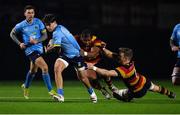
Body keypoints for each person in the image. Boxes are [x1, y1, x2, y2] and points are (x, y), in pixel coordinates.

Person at [43, 14, 97, 103]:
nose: (48, 27)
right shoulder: (60, 27)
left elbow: (57, 49)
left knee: (83, 78)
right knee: (57, 68)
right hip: (66, 55)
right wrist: (52, 42)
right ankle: (60, 95)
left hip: (76, 55)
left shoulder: (57, 32)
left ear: (54, 22)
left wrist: (48, 49)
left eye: (49, 24)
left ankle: (92, 93)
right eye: (46, 25)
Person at [88, 47, 176, 102]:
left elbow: (107, 73)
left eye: (120, 56)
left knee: (116, 94)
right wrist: (102, 48)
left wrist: (93, 67)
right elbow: (110, 54)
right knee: (156, 88)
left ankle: (126, 97)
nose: (118, 56)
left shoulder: (125, 70)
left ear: (126, 58)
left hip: (137, 91)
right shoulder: (128, 61)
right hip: (144, 81)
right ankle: (170, 94)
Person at [10, 5, 59, 100]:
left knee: (33, 71)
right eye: (28, 13)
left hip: (39, 49)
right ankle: (51, 91)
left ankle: (26, 87)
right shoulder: (21, 25)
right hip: (29, 50)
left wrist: (37, 41)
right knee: (45, 67)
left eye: (32, 12)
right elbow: (12, 34)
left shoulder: (38, 22)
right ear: (24, 14)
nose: (31, 14)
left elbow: (45, 36)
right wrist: (20, 43)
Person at [74, 29, 118, 99]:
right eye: (84, 40)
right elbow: (65, 38)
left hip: (97, 61)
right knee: (91, 79)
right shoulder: (75, 38)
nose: (87, 42)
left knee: (105, 74)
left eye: (88, 40)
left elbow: (93, 54)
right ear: (81, 38)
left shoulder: (96, 40)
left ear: (91, 38)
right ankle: (102, 89)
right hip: (85, 62)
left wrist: (83, 53)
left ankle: (111, 86)